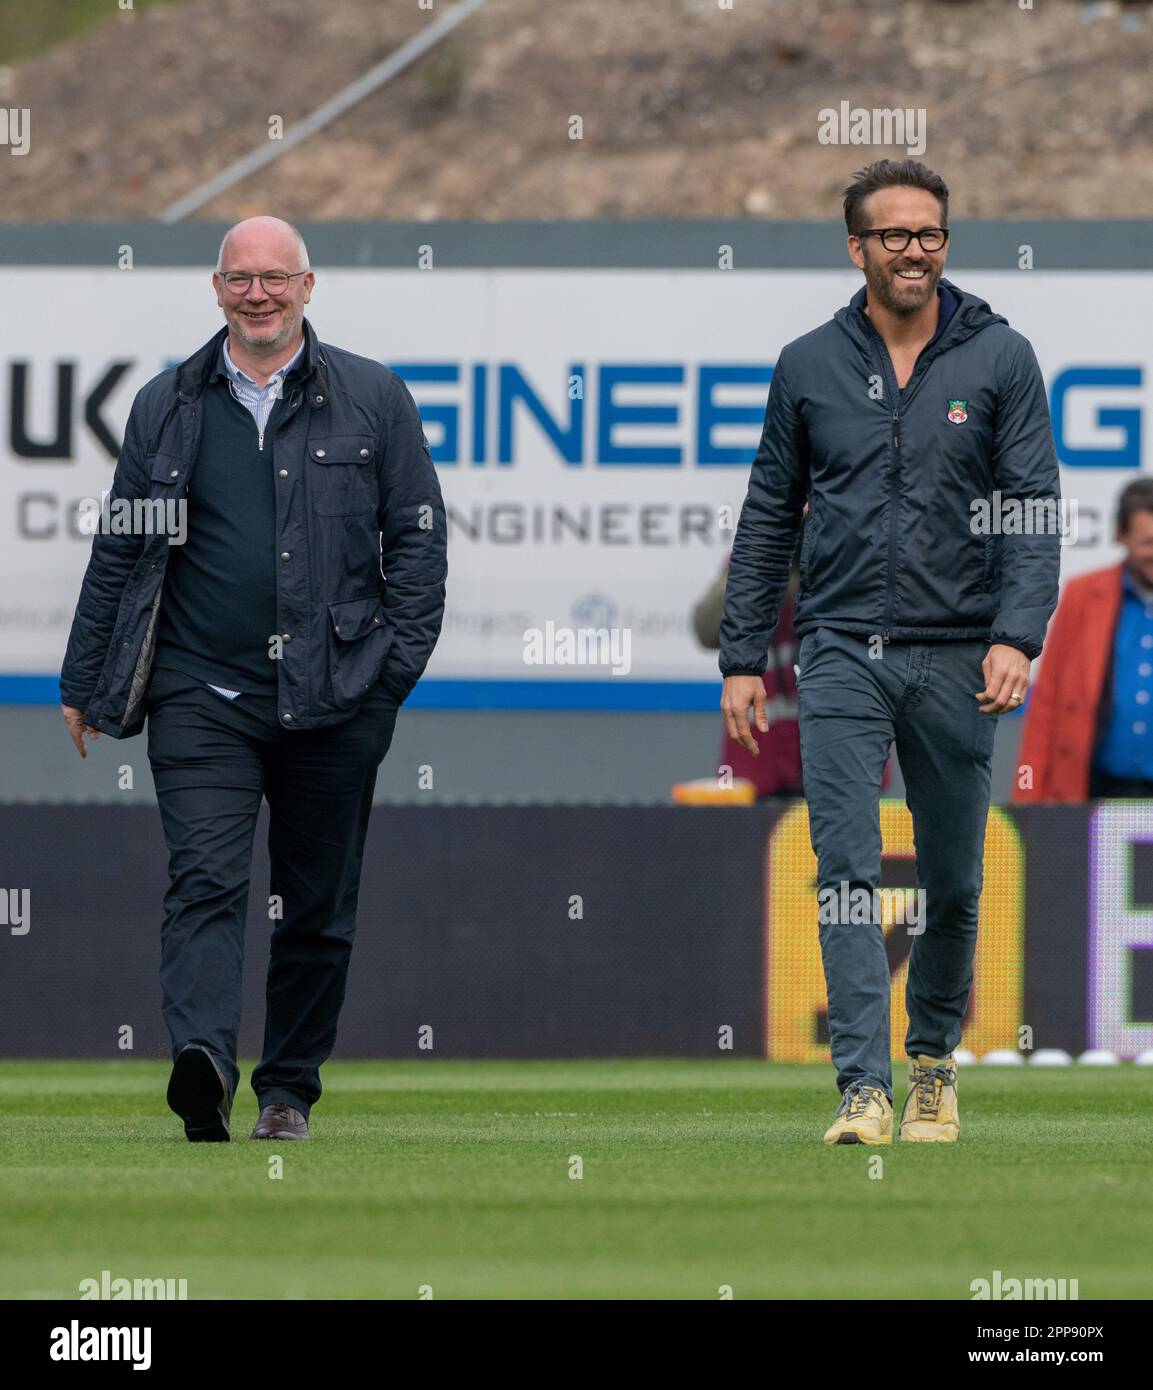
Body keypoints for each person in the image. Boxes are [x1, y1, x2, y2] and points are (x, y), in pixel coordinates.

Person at [59, 216, 447, 1143]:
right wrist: (84, 677)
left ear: (308, 287)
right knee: (203, 880)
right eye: (241, 278)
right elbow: (122, 548)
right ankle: (203, 1064)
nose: (258, 293)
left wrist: (385, 680)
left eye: (276, 278)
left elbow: (421, 550)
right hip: (201, 695)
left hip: (338, 697)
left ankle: (286, 1092)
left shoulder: (374, 398)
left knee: (316, 909)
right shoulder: (167, 404)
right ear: (217, 286)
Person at [719, 160, 1060, 1145]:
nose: (915, 250)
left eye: (930, 234)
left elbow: (1032, 514)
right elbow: (766, 520)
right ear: (856, 247)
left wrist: (1015, 635)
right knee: (844, 867)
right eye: (894, 235)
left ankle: (929, 1066)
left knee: (954, 881)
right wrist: (745, 655)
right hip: (836, 652)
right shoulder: (807, 363)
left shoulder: (1000, 358)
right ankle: (861, 1086)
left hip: (960, 654)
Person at [1014, 478, 1153, 801]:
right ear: (1121, 536)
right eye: (1147, 542)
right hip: (1093, 791)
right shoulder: (1083, 596)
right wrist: (1027, 795)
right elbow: (1047, 700)